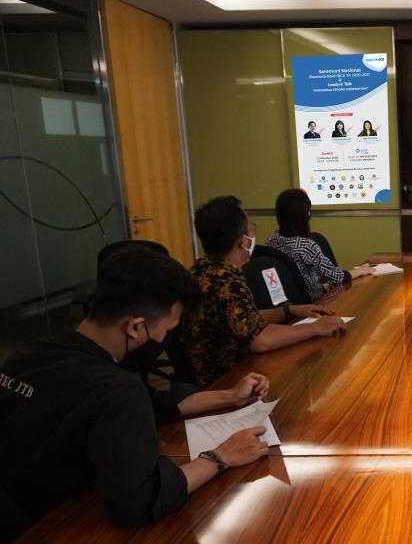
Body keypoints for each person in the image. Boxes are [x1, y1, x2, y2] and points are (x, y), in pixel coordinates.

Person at [0, 250, 273, 539]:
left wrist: (231, 396)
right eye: (167, 331)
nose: (166, 341)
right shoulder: (116, 390)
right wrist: (222, 456)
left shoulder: (28, 354)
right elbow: (141, 500)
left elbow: (154, 403)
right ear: (135, 327)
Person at [180, 196, 345, 387]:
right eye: (250, 228)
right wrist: (316, 328)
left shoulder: (203, 269)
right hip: (228, 381)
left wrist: (288, 311)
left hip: (219, 373)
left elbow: (243, 318)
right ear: (243, 241)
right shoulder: (226, 282)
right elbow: (261, 340)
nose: (252, 232)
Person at [267, 189, 372, 300]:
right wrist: (360, 271)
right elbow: (336, 277)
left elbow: (297, 277)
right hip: (312, 301)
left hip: (289, 300)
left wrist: (320, 287)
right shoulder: (306, 246)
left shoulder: (271, 240)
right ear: (304, 215)